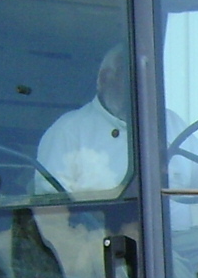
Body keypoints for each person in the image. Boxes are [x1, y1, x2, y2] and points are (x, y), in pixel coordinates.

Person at [36, 44, 132, 194]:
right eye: (130, 74)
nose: (139, 84)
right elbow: (51, 208)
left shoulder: (172, 123)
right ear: (104, 78)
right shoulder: (68, 130)